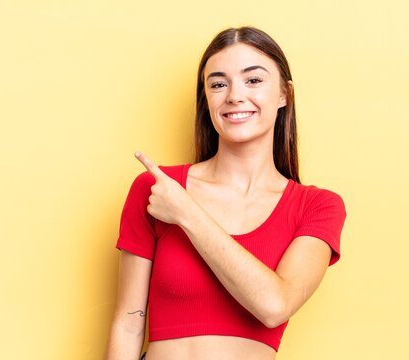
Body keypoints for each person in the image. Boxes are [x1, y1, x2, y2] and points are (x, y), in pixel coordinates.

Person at [105, 26, 346, 360]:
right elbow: (128, 324)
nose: (234, 95)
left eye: (254, 80)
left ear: (284, 95)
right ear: (207, 99)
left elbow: (274, 305)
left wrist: (187, 214)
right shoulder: (156, 188)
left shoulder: (317, 206)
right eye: (218, 84)